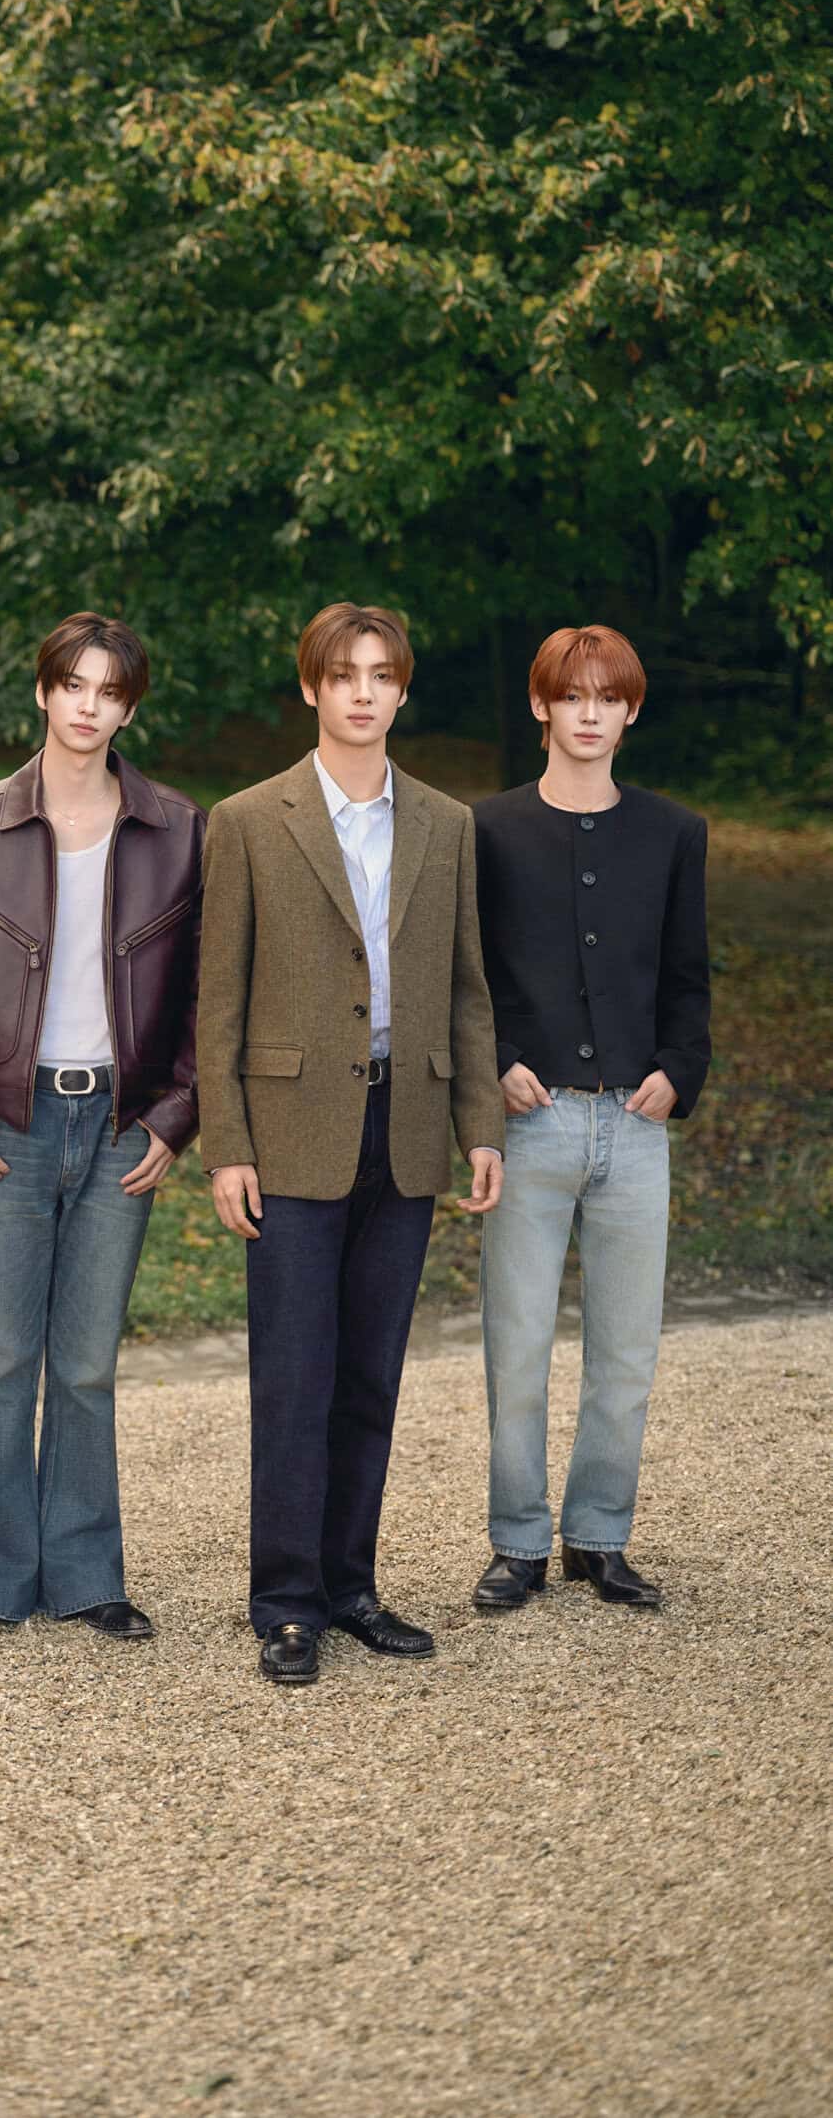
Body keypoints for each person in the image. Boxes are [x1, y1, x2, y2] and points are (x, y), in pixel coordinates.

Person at [198, 603, 506, 1687]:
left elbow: (467, 988)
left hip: (406, 1124)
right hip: (290, 1132)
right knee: (294, 1378)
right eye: (343, 675)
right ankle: (287, 1604)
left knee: (371, 1373)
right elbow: (217, 1000)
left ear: (403, 690)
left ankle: (350, 1585)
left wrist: (479, 1124)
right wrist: (226, 1144)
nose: (362, 692)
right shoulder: (247, 819)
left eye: (381, 674)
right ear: (311, 688)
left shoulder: (446, 824)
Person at [0, 613, 204, 1649]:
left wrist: (175, 1115)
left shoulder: (179, 831)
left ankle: (85, 1576)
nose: (87, 706)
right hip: (11, 1120)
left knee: (84, 1364)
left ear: (130, 708)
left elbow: (209, 992)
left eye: (109, 691)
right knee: (1, 1361)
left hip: (122, 1124)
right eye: (72, 684)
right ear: (42, 691)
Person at [470, 626, 711, 1614]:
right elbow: (465, 975)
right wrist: (495, 1064)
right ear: (540, 706)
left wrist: (678, 1073)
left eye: (608, 698)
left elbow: (688, 976)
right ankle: (518, 1542)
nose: (588, 714)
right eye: (570, 696)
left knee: (625, 1350)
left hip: (636, 1126)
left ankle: (600, 1537)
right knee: (517, 1345)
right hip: (532, 1124)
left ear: (631, 711)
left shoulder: (673, 832)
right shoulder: (486, 829)